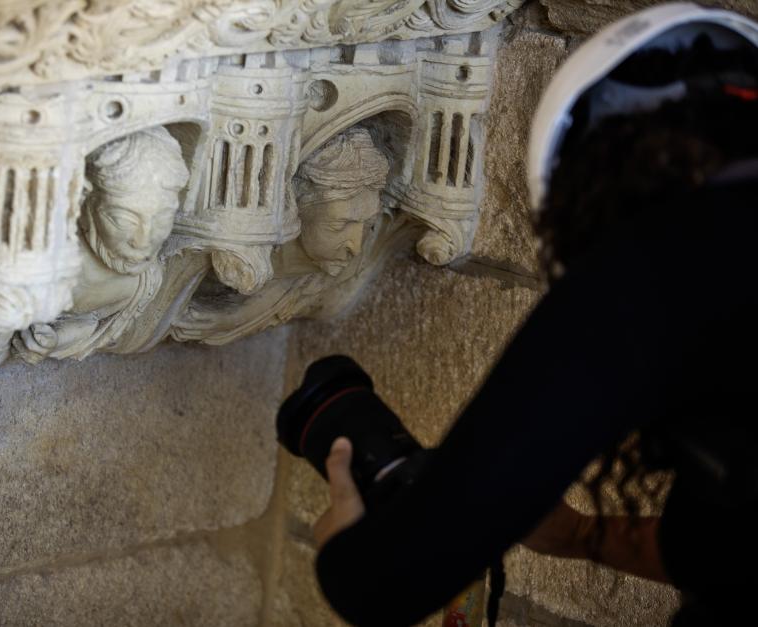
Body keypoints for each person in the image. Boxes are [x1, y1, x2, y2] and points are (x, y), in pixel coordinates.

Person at [311, 4, 758, 626]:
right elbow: (727, 546)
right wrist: (579, 537)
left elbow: (385, 583)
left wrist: (340, 538)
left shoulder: (667, 255)